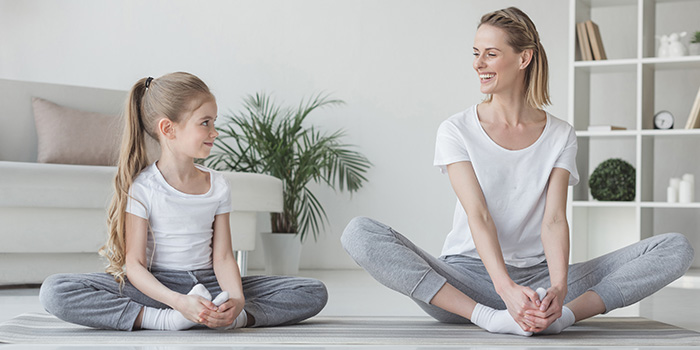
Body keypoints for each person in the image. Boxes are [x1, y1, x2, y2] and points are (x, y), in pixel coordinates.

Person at [341, 7, 694, 336]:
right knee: (359, 233)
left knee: (675, 247)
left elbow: (554, 220)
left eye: (490, 53)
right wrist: (505, 290)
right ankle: (491, 319)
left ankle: (562, 317)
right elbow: (478, 215)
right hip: (467, 282)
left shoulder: (560, 134)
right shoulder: (456, 130)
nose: (479, 63)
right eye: (475, 52)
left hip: (539, 280)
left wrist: (557, 289)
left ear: (523, 58)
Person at [39, 72, 328, 331]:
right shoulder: (144, 187)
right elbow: (136, 265)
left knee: (312, 291)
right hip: (156, 289)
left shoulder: (218, 185)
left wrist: (237, 301)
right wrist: (177, 302)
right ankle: (164, 320)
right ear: (168, 129)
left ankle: (226, 318)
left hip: (211, 284)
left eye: (214, 122)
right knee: (55, 291)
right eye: (205, 123)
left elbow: (224, 257)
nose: (215, 132)